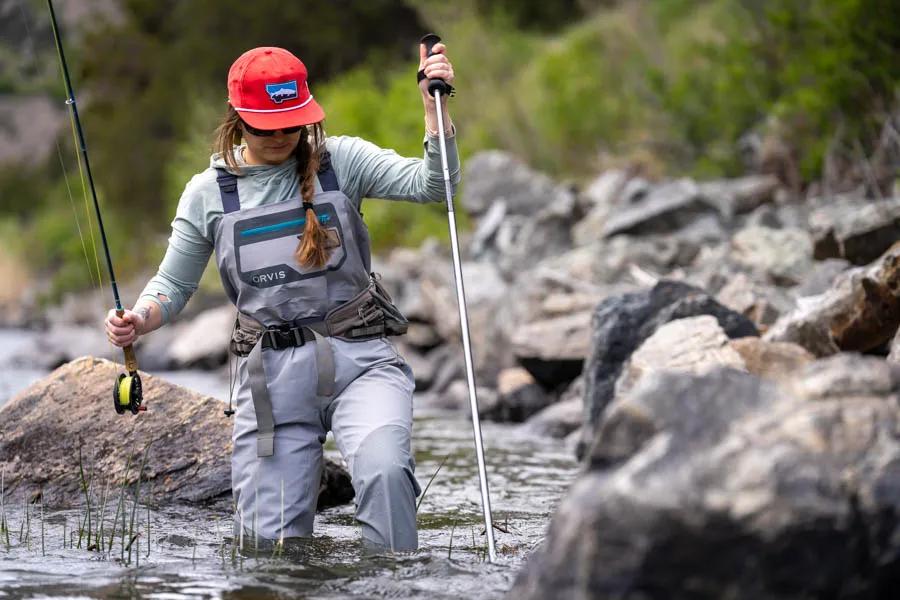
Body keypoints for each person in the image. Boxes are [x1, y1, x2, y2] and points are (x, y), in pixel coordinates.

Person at [104, 41, 458, 552]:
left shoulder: (344, 162)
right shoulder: (208, 193)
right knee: (268, 554)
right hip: (270, 382)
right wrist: (139, 318)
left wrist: (433, 110)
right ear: (237, 120)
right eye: (264, 127)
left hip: (361, 361)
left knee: (384, 472)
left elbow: (437, 186)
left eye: (289, 125)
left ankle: (394, 583)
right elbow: (174, 284)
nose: (278, 137)